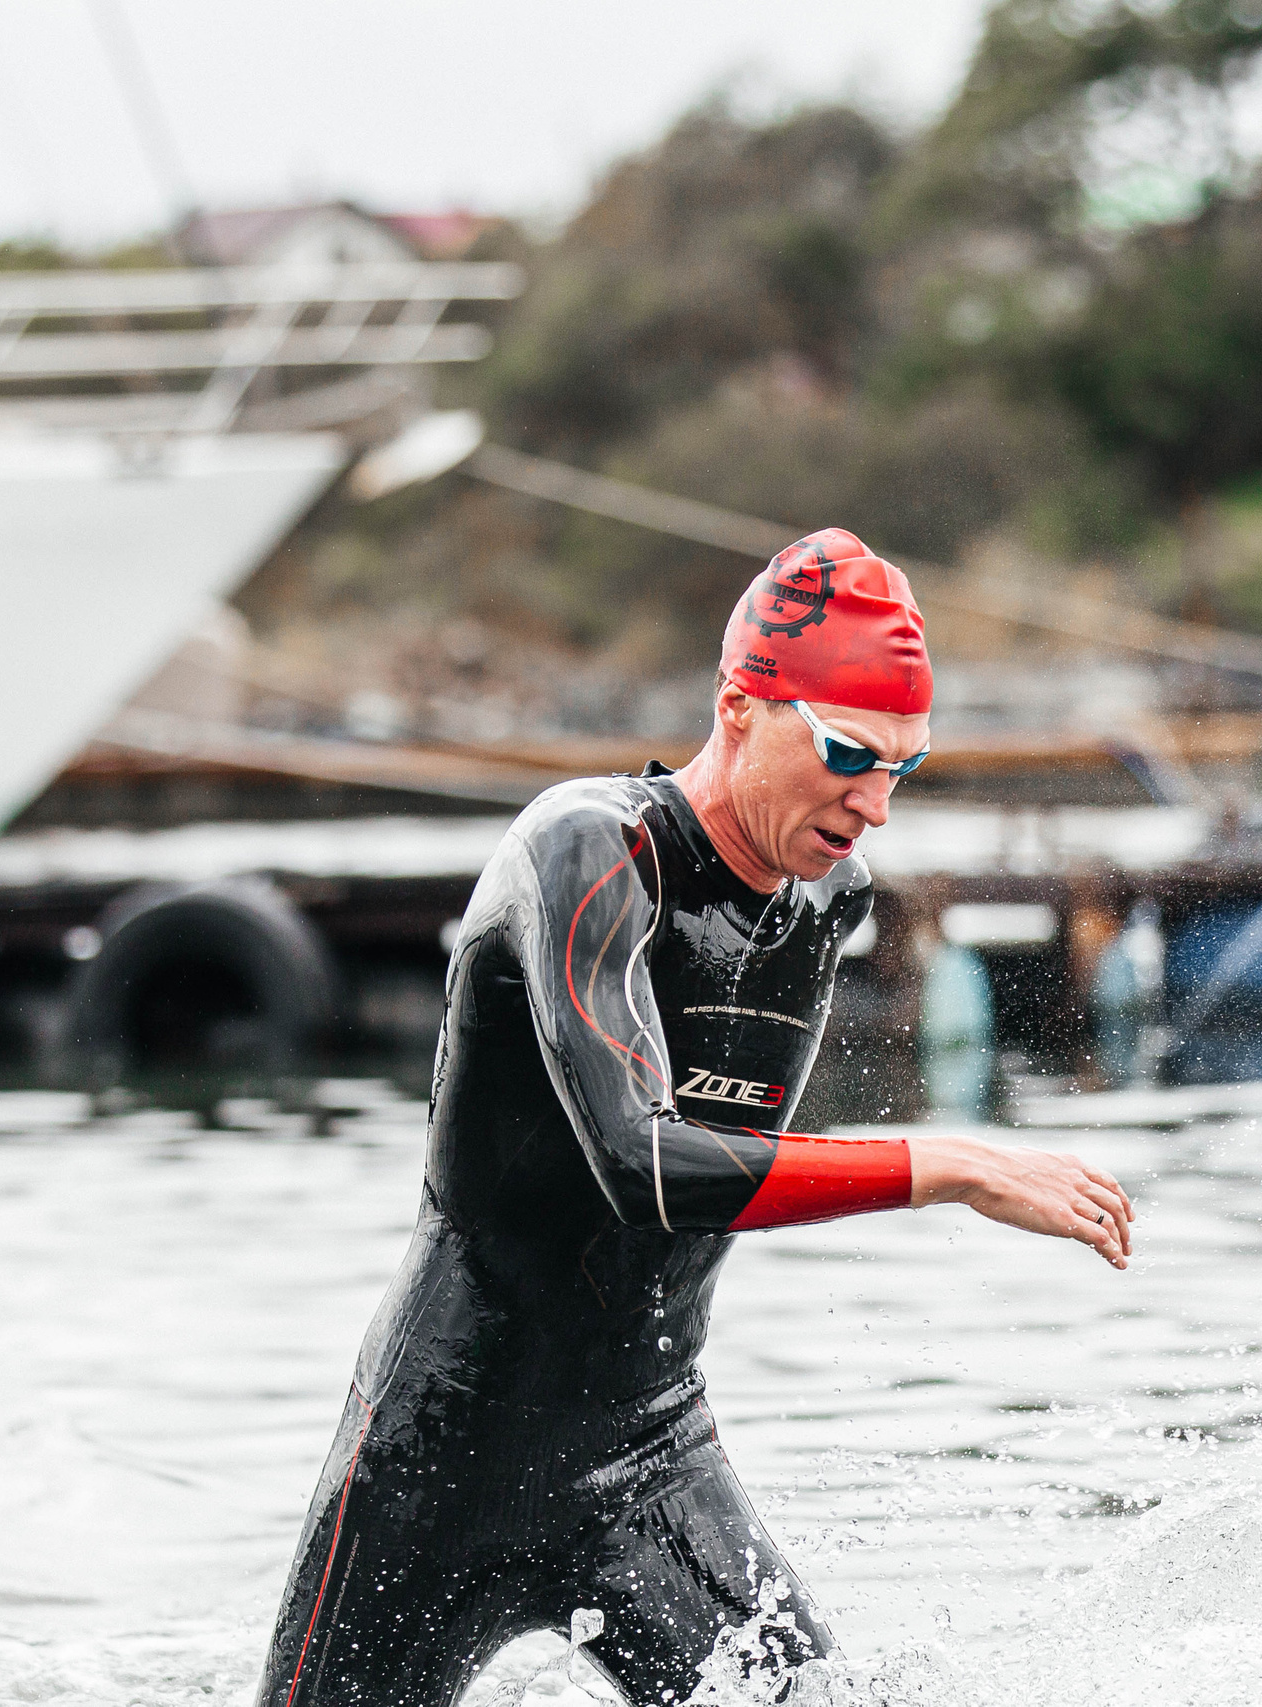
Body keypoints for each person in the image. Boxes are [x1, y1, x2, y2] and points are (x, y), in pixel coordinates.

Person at [256, 529, 1135, 1707]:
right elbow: (646, 1166)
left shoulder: (827, 901)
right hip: (440, 1452)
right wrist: (948, 1166)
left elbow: (720, 1180)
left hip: (649, 1454)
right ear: (739, 706)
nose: (873, 805)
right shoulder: (589, 851)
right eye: (845, 755)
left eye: (904, 771)